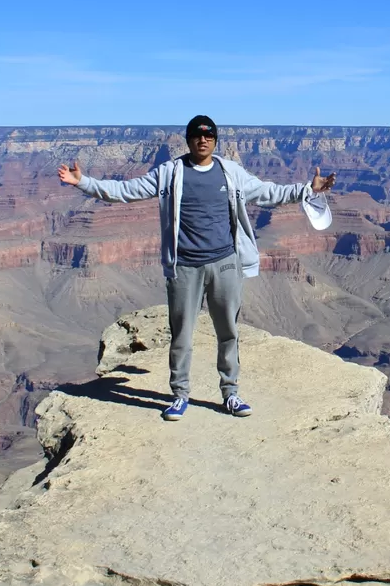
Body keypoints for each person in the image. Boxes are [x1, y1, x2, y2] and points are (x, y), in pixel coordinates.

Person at [57, 116, 334, 421]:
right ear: (188, 140)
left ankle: (231, 393)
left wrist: (308, 189)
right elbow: (127, 190)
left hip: (225, 263)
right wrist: (82, 182)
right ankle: (179, 395)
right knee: (182, 335)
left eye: (209, 135)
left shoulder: (230, 173)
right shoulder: (170, 173)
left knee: (228, 331)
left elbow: (268, 193)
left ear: (215, 141)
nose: (203, 140)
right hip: (185, 266)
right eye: (197, 135)